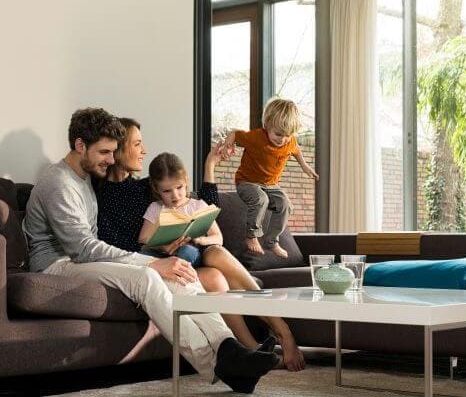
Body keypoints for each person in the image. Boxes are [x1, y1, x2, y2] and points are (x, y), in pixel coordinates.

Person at [22, 108, 279, 393]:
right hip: (58, 264)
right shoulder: (59, 183)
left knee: (182, 273)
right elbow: (82, 248)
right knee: (147, 277)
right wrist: (150, 263)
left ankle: (228, 346)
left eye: (114, 151)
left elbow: (189, 203)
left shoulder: (85, 177)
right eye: (105, 152)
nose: (111, 158)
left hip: (82, 260)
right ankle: (219, 364)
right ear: (80, 145)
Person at [96, 118, 305, 371]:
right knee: (215, 277)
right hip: (147, 265)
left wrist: (210, 166)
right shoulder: (99, 193)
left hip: (182, 256)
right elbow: (111, 245)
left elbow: (201, 207)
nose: (144, 150)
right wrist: (158, 252)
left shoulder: (144, 186)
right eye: (137, 144)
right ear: (117, 149)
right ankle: (253, 348)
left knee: (216, 256)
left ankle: (277, 333)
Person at [221, 98, 318, 258]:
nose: (282, 139)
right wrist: (227, 146)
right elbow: (234, 134)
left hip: (271, 184)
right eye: (278, 134)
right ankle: (251, 236)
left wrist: (305, 166)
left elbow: (296, 149)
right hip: (247, 182)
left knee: (286, 205)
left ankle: (272, 241)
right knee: (261, 199)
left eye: (287, 135)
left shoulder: (289, 141)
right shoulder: (256, 137)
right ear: (267, 125)